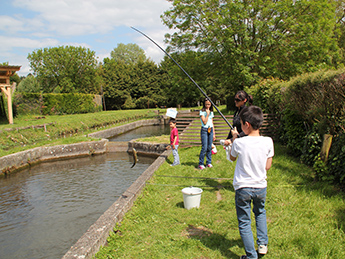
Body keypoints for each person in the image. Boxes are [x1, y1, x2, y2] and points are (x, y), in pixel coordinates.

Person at [229, 106, 274, 259]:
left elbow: (232, 158)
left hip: (243, 188)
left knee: (244, 221)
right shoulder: (268, 141)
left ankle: (251, 256)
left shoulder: (239, 143)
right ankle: (262, 245)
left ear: (246, 124)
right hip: (261, 187)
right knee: (260, 213)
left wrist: (235, 138)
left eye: (241, 124)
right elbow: (267, 166)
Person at [198, 98, 216, 170]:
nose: (208, 106)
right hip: (204, 130)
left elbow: (212, 123)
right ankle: (201, 163)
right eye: (206, 104)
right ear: (204, 104)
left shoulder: (211, 112)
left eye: (209, 104)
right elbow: (204, 122)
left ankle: (209, 162)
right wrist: (207, 114)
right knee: (204, 147)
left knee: (209, 147)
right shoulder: (202, 112)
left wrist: (214, 133)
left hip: (210, 130)